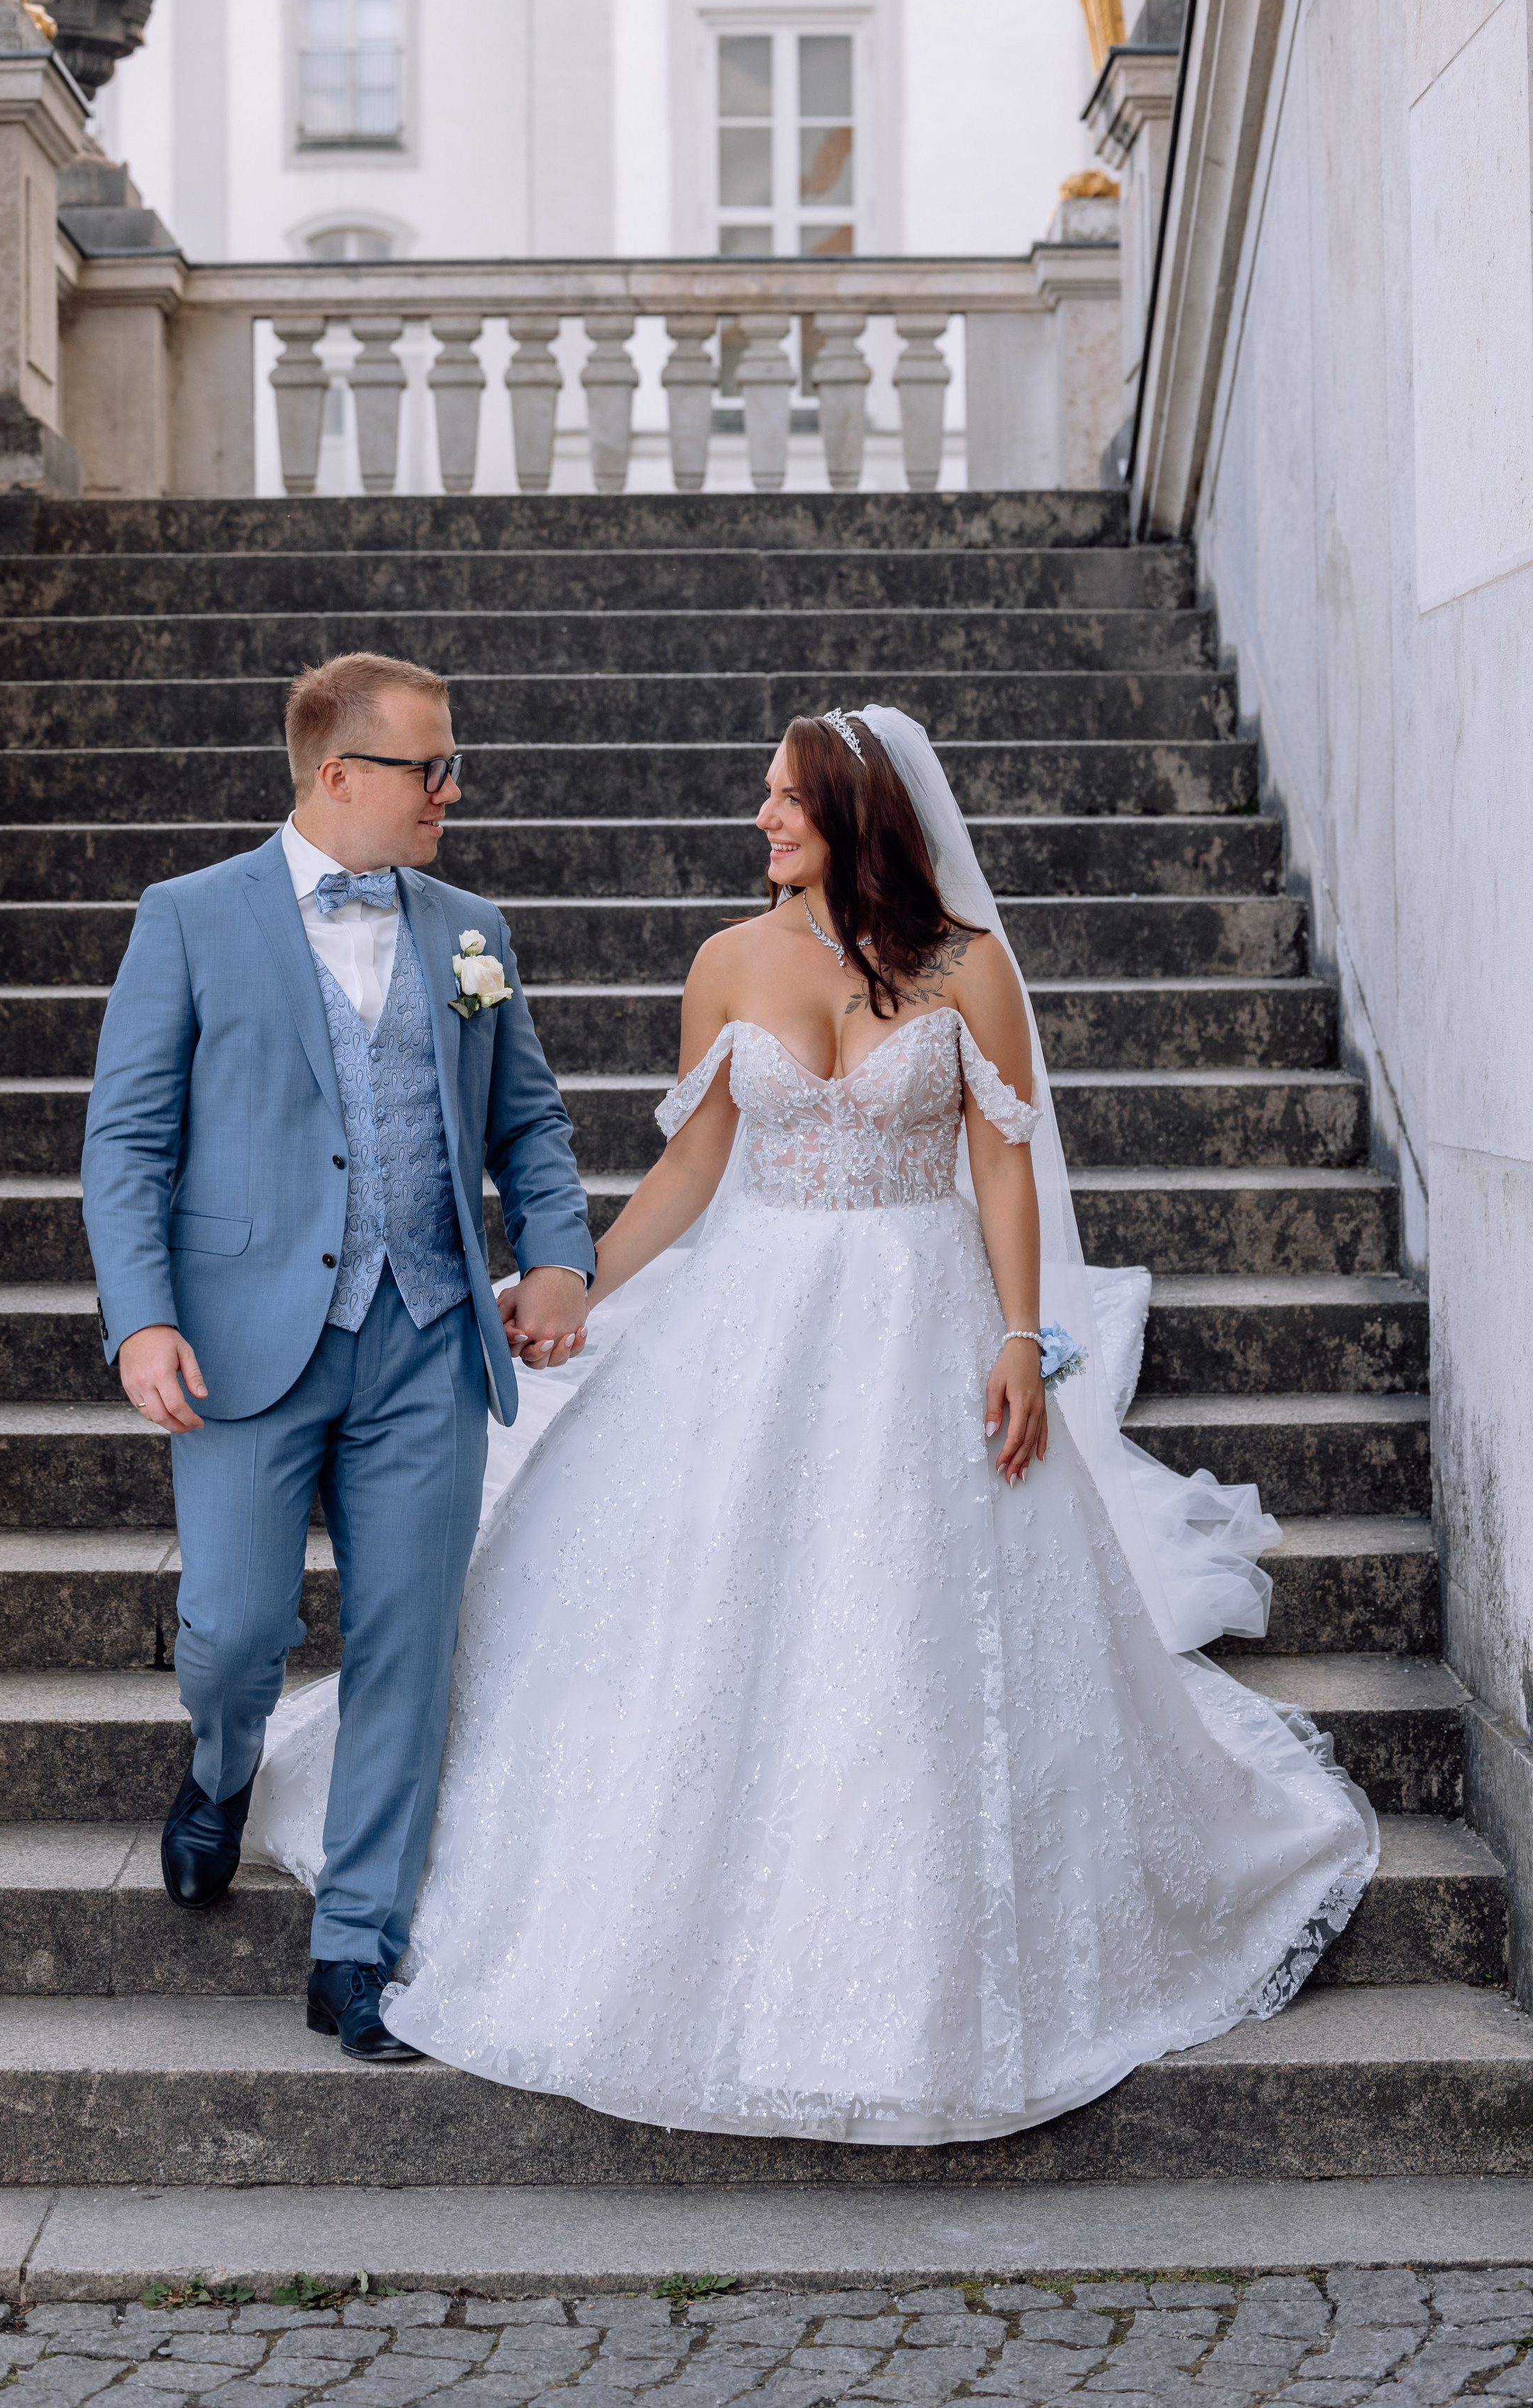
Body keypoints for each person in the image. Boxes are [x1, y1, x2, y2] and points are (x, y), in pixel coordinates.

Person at [250, 703, 1378, 2142]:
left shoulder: (968, 971)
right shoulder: (725, 960)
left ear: (853, 816)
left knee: (911, 1613)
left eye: (785, 799)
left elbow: (1004, 1168)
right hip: (757, 1311)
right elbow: (695, 1162)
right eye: (766, 797)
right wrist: (576, 1280)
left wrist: (1022, 1337)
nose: (761, 819)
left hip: (922, 1308)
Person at [80, 650, 594, 2066]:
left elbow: (531, 1127)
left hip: (426, 1337)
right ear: (337, 775)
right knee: (236, 1627)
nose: (451, 787)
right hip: (244, 1341)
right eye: (428, 765)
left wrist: (556, 1254)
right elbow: (124, 1141)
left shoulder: (472, 927)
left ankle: (358, 1944)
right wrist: (142, 1315)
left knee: (405, 1646)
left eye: (449, 761)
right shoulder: (188, 920)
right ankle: (222, 1764)